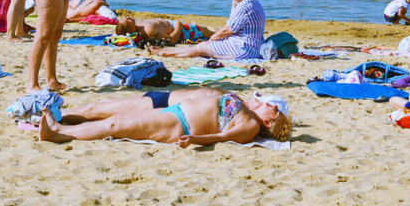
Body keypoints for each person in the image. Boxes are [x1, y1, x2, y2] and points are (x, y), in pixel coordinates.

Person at [39, 88, 291, 146]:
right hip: (175, 112)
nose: (273, 106)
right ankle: (59, 126)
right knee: (114, 118)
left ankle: (58, 134)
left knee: (115, 125)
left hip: (179, 123)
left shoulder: (249, 125)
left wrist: (193, 140)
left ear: (268, 122)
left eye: (275, 111)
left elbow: (222, 137)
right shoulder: (246, 110)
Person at [154, 0, 265, 60]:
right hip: (251, 47)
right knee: (203, 46)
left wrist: (213, 38)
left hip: (243, 50)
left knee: (201, 47)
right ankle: (166, 51)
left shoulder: (244, 8)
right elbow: (232, 21)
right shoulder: (254, 4)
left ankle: (164, 53)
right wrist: (234, 2)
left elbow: (227, 30)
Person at [114, 16, 215, 46]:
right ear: (132, 29)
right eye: (128, 20)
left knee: (200, 27)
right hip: (181, 31)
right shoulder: (149, 31)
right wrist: (178, 27)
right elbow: (172, 40)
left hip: (171, 24)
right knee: (204, 30)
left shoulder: (137, 24)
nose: (128, 17)